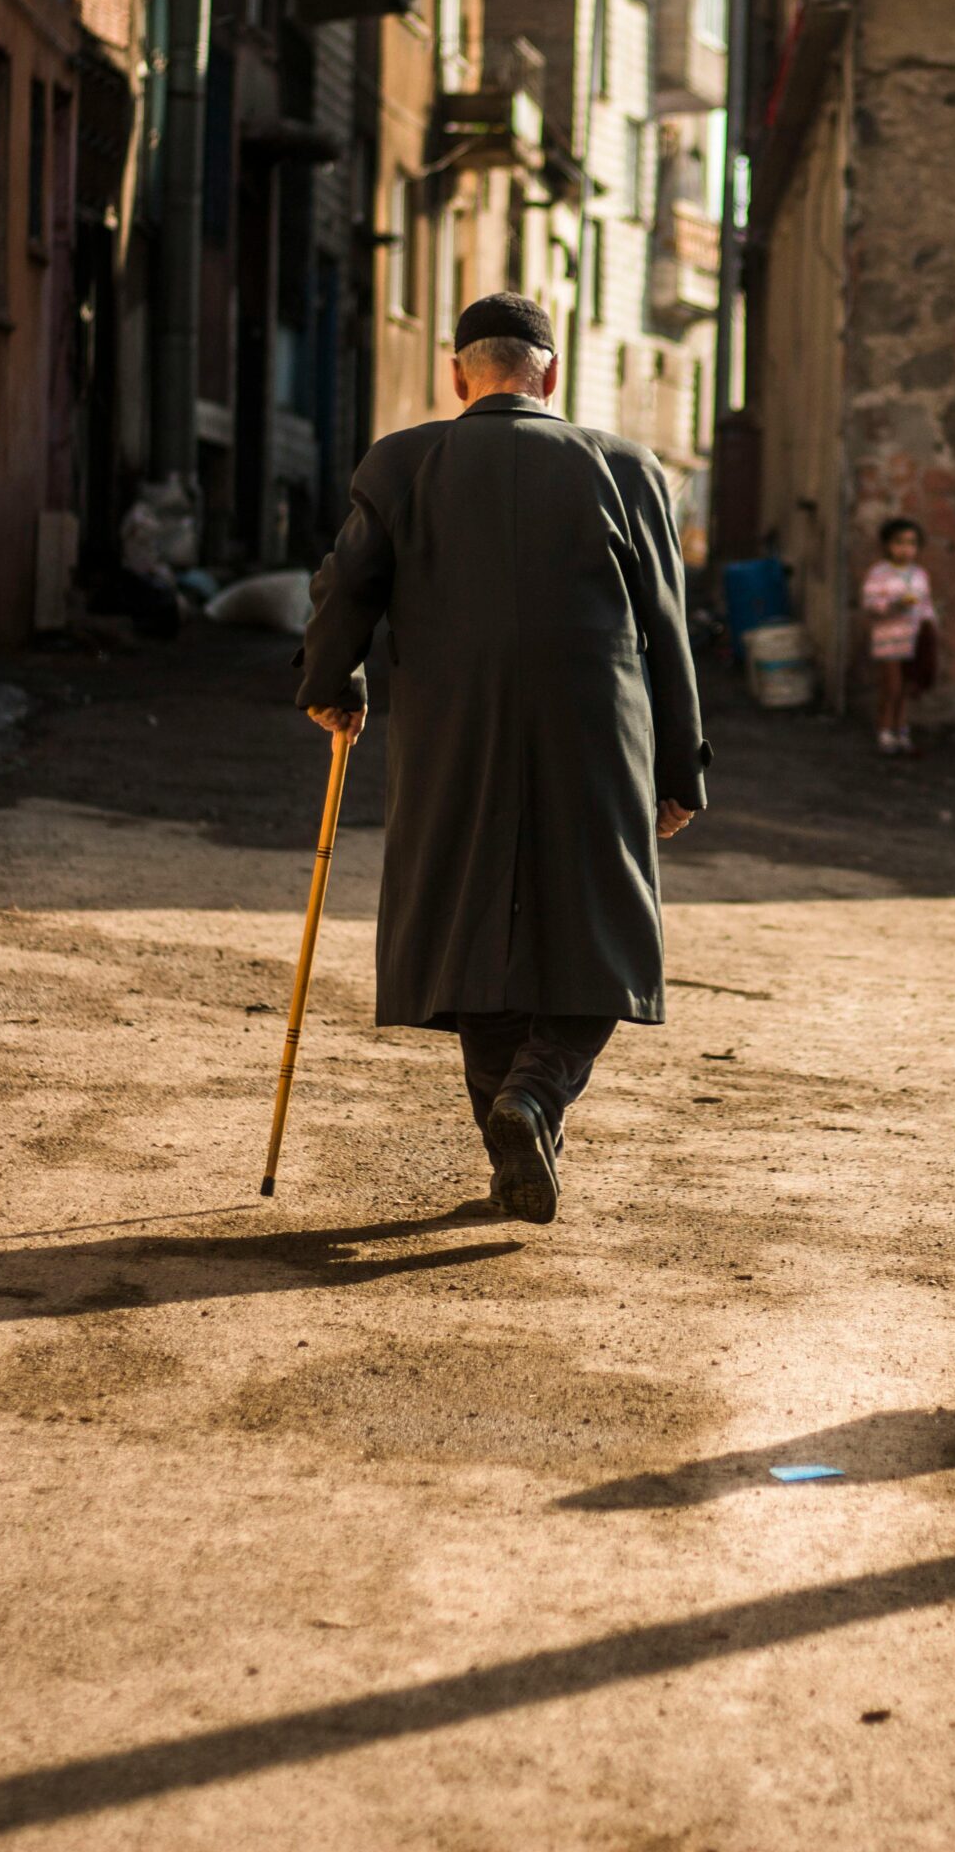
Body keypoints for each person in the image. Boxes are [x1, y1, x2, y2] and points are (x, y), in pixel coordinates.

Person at [296, 293, 710, 1226]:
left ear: (458, 373)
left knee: (470, 920)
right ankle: (534, 1098)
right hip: (597, 730)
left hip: (454, 729)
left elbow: (347, 583)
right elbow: (667, 633)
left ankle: (507, 1121)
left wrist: (333, 681)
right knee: (598, 928)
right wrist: (681, 767)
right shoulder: (629, 468)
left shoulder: (401, 461)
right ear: (550, 374)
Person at [861, 516, 936, 754]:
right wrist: (894, 604)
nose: (905, 549)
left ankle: (901, 731)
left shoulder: (919, 575)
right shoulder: (879, 573)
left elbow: (925, 604)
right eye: (899, 543)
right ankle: (884, 731)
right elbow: (871, 603)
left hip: (913, 637)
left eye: (911, 543)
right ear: (887, 545)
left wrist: (930, 627)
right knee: (891, 687)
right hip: (889, 637)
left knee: (905, 688)